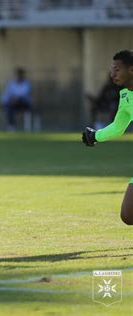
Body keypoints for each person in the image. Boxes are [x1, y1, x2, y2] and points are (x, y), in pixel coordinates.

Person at [82, 49, 133, 226]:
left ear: (131, 70)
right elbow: (119, 127)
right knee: (128, 215)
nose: (112, 74)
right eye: (112, 69)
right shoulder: (125, 95)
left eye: (117, 69)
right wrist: (95, 136)